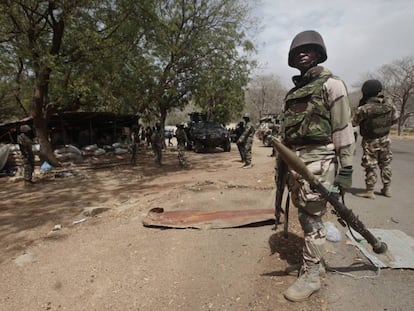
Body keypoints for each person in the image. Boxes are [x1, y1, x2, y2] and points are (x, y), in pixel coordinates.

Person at [280, 30, 355, 302]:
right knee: (304, 215)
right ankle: (312, 262)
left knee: (312, 220)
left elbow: (343, 129)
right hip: (295, 163)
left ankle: (311, 276)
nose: (302, 53)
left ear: (318, 53)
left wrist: (345, 170)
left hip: (320, 161)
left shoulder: (332, 84)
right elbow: (286, 136)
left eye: (308, 49)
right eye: (297, 50)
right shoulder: (293, 93)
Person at [352, 79, 399, 199]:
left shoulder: (364, 108)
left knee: (370, 165)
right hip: (385, 139)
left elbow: (353, 123)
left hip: (370, 141)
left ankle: (370, 191)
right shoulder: (389, 105)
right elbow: (395, 119)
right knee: (385, 164)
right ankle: (387, 189)